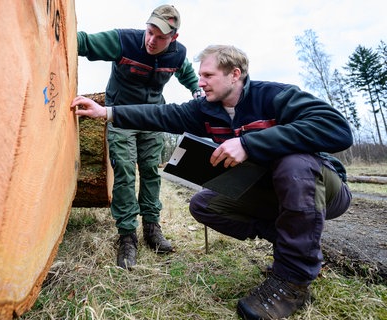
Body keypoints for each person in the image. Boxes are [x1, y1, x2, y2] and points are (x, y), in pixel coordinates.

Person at [71, 45, 353, 319]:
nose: (200, 82)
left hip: (322, 188)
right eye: (200, 75)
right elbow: (161, 115)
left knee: (294, 163)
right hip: (273, 192)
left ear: (234, 74)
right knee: (205, 204)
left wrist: (248, 144)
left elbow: (336, 129)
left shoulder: (274, 95)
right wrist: (107, 112)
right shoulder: (206, 110)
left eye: (208, 75)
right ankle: (296, 246)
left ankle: (293, 283)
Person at [77, 5, 200, 269]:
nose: (151, 40)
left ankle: (152, 228)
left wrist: (196, 91)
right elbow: (84, 43)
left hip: (152, 118)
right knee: (123, 169)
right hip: (118, 115)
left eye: (160, 37)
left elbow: (187, 72)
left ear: (173, 39)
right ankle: (127, 236)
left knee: (150, 170)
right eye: (150, 32)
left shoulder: (177, 54)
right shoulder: (123, 41)